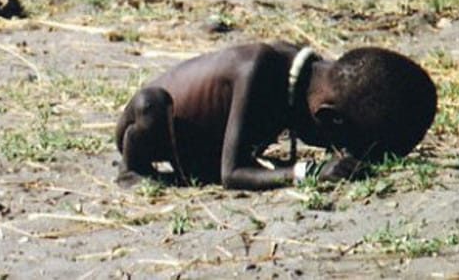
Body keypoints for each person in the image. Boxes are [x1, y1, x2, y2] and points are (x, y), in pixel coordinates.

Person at [114, 41, 437, 190]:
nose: (334, 151)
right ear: (328, 118)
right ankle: (131, 170)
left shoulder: (303, 75)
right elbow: (232, 173)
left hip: (201, 148)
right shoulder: (259, 70)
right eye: (339, 144)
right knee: (150, 107)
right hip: (153, 126)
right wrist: (307, 172)